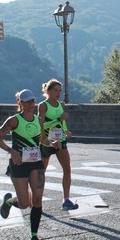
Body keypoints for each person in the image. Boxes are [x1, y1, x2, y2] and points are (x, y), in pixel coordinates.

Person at [0, 89, 47, 240]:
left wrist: (55, 142)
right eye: (27, 101)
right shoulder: (14, 120)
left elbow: (43, 139)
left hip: (36, 163)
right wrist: (11, 151)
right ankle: (9, 201)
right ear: (20, 103)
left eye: (33, 101)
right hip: (19, 164)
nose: (31, 104)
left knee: (37, 200)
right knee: (24, 204)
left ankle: (34, 237)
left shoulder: (39, 120)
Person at [38, 78, 78, 210]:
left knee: (67, 169)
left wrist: (66, 131)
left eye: (60, 91)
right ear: (48, 91)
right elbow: (41, 125)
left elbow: (62, 123)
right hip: (47, 142)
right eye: (55, 90)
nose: (58, 93)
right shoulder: (43, 105)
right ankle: (38, 200)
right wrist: (57, 119)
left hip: (60, 140)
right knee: (41, 172)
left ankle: (66, 200)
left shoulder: (61, 105)